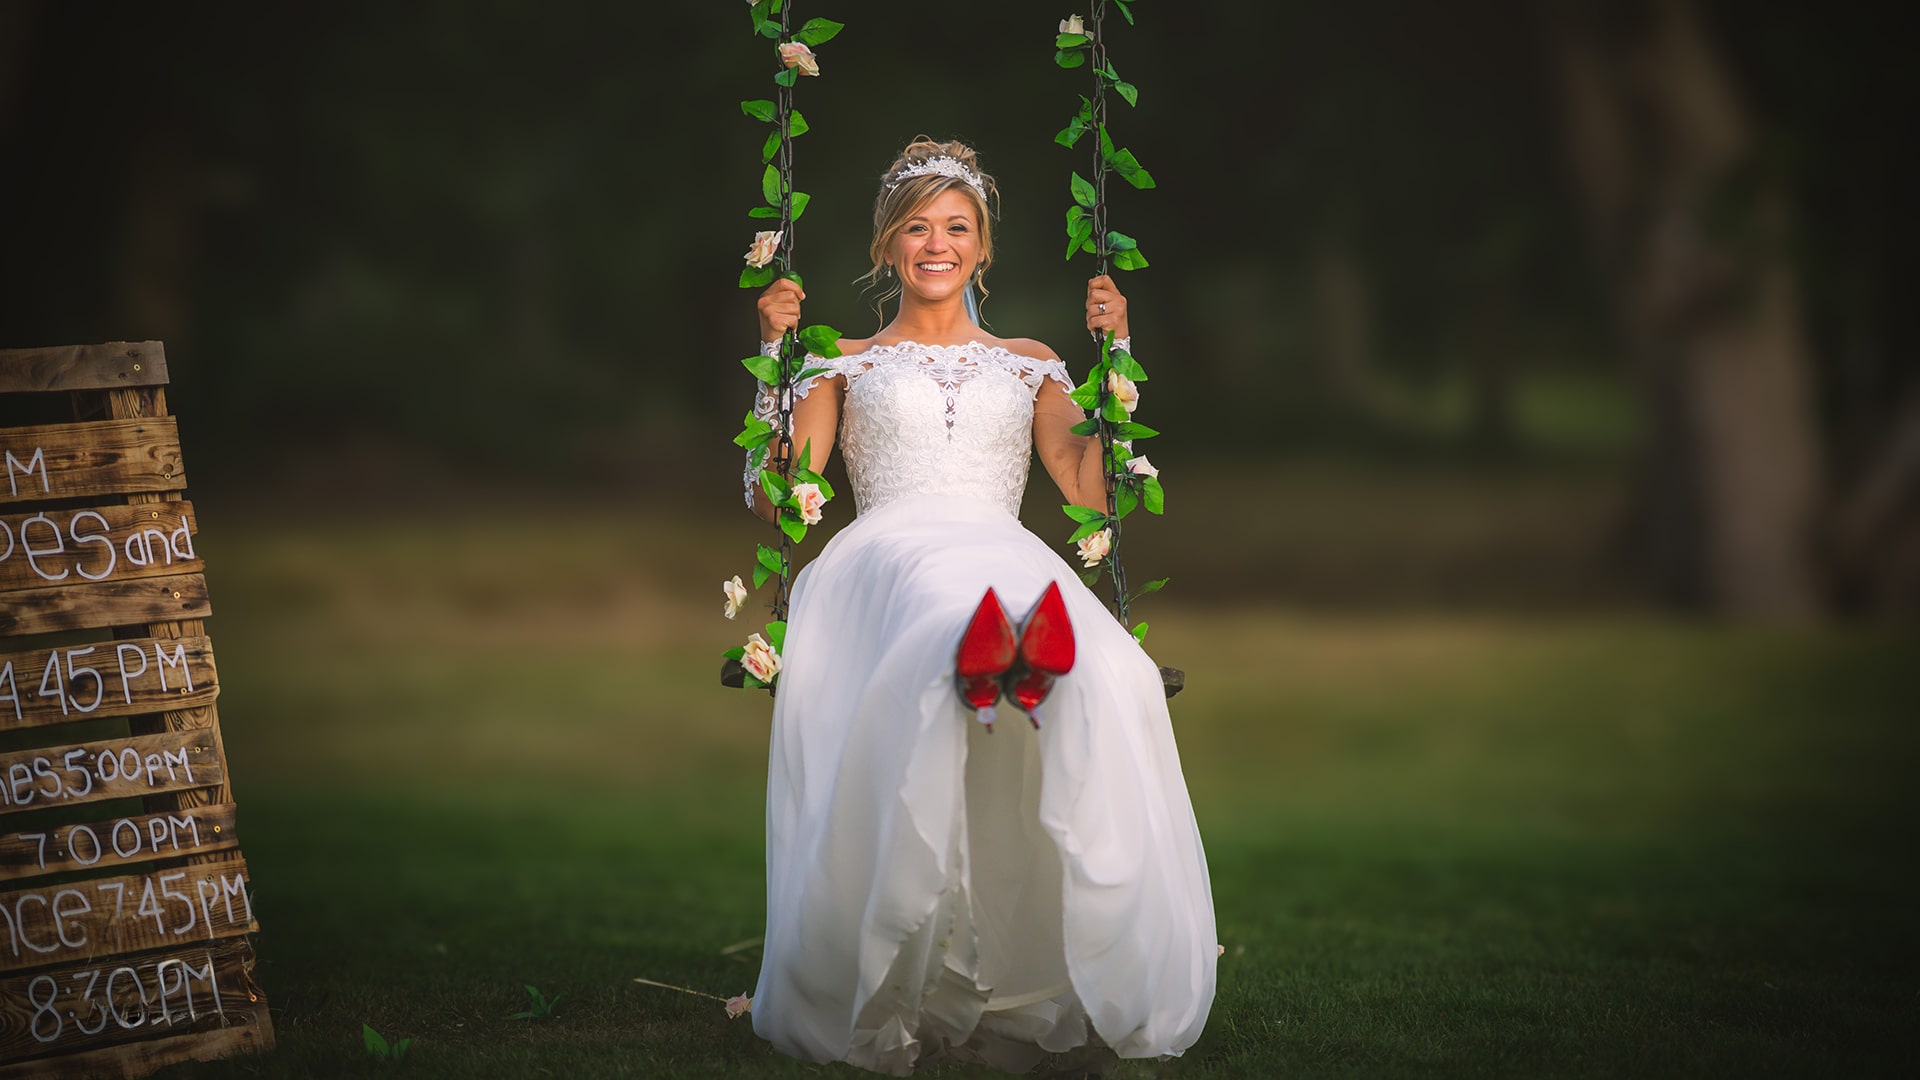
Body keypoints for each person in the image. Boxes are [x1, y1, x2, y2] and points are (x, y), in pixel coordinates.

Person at [742, 137, 1216, 1075]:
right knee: (938, 594)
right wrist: (774, 354)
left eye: (956, 228)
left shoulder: (1031, 362)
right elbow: (778, 496)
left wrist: (1117, 351)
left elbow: (1085, 492)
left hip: (998, 544)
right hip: (887, 546)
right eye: (916, 227)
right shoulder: (844, 359)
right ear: (887, 246)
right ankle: (983, 658)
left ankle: (1017, 666)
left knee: (1107, 662)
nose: (936, 244)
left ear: (983, 247)